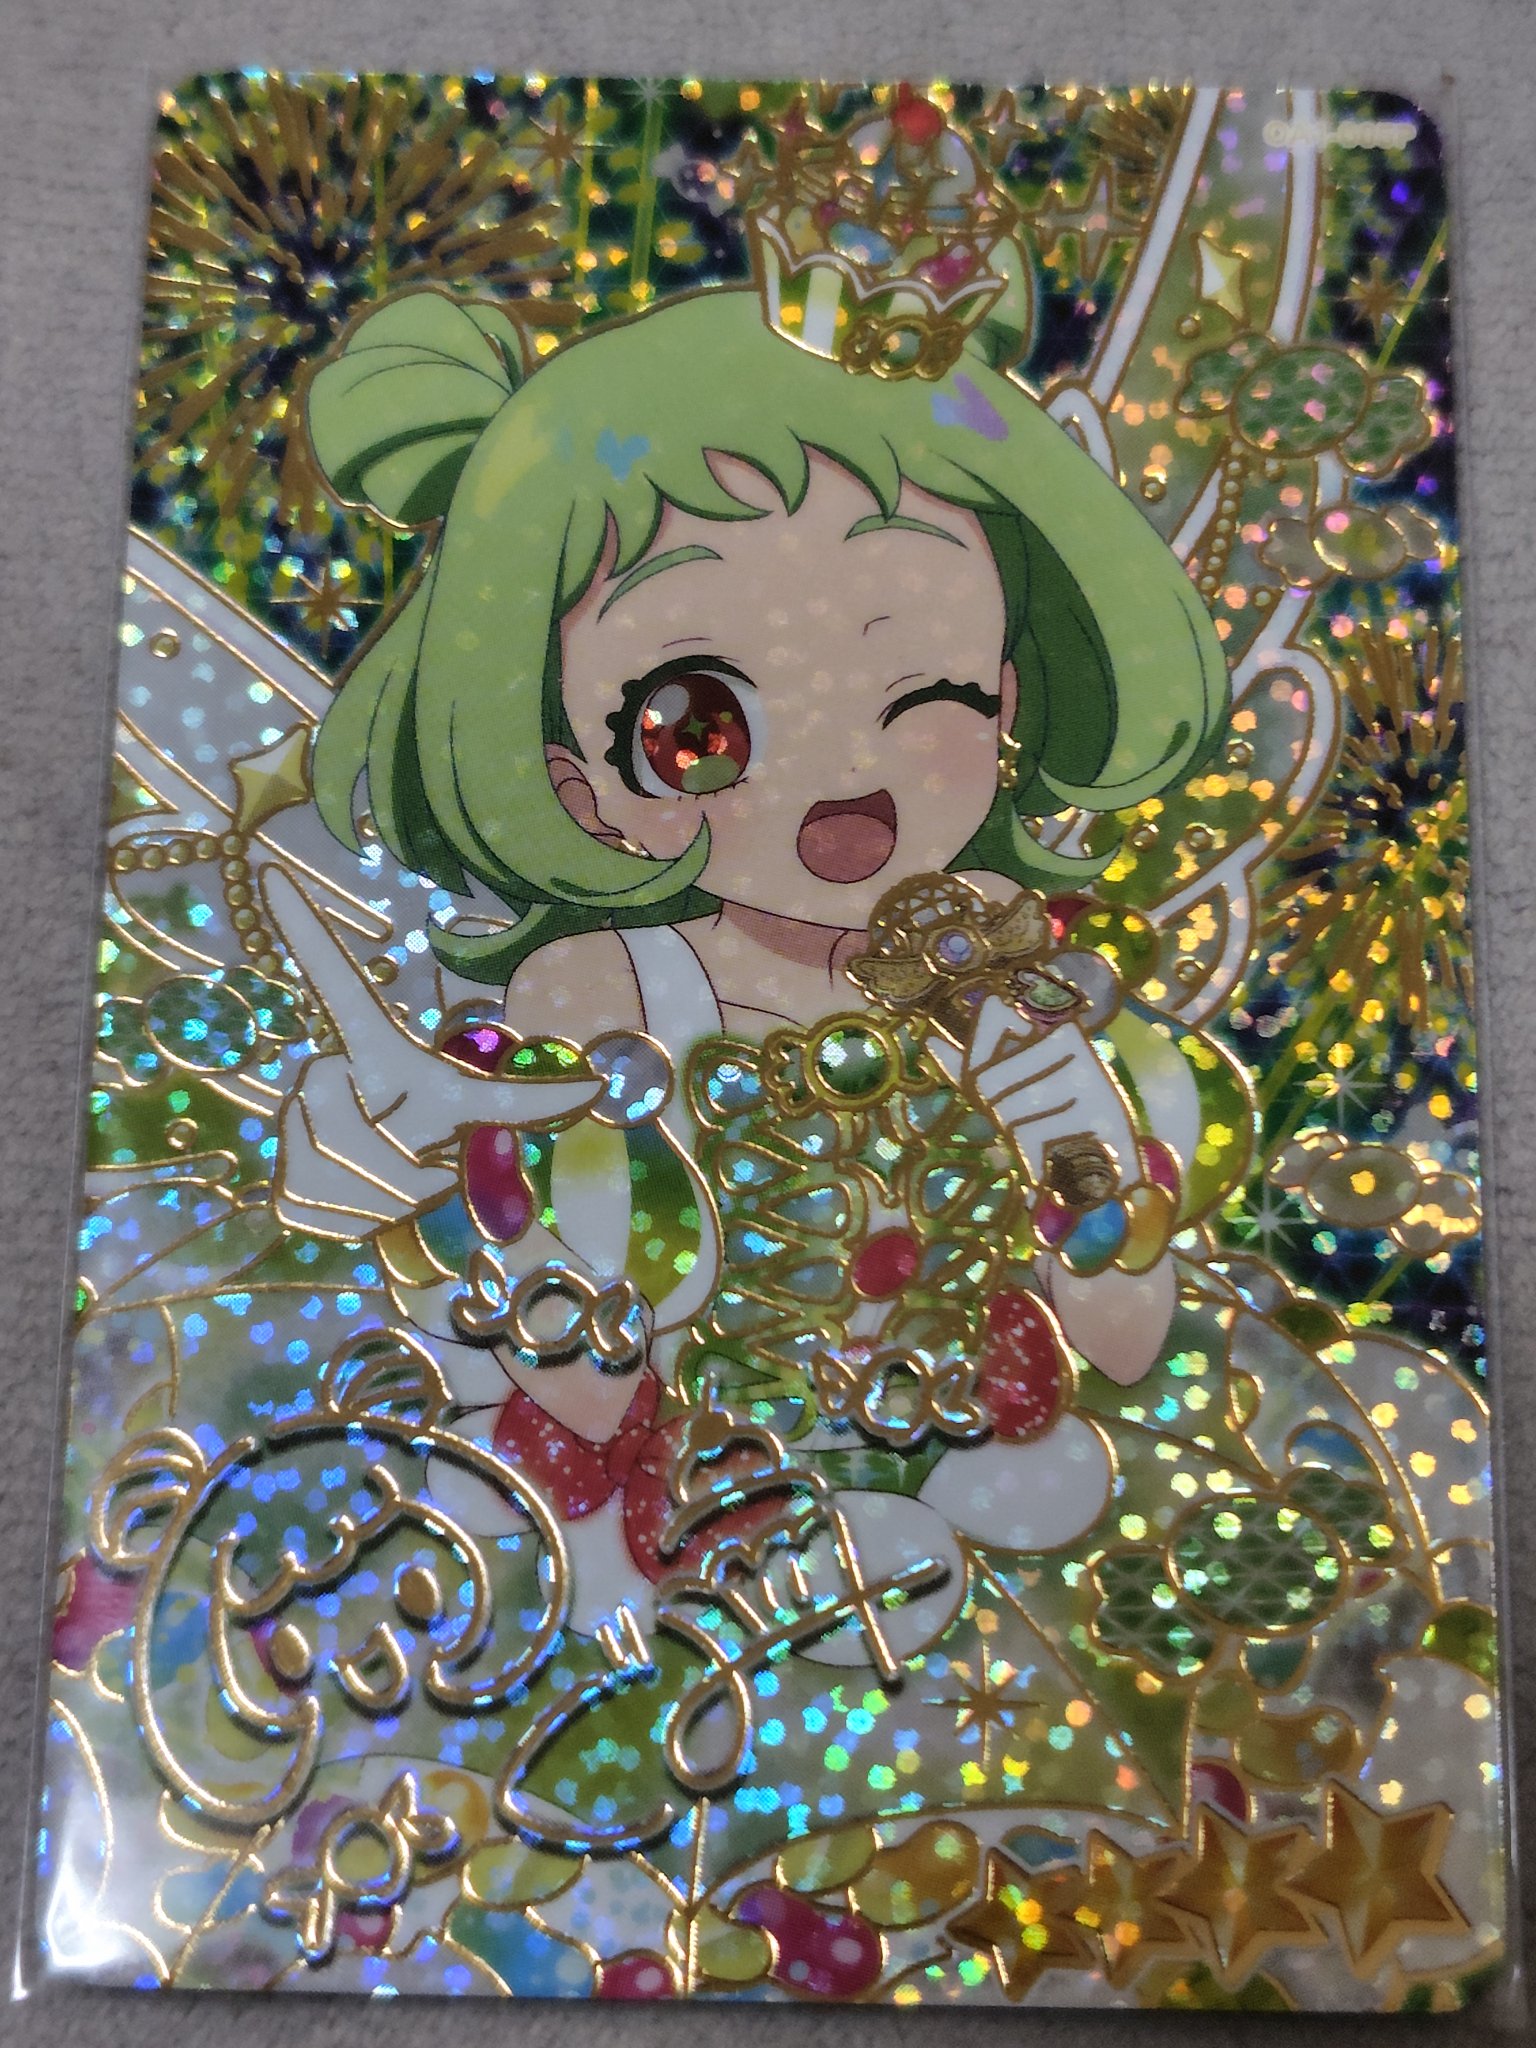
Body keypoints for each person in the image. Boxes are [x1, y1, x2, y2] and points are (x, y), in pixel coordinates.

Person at [262, 282, 1245, 1633]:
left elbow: (1125, 1343)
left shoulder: (1012, 969)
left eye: (924, 689)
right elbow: (588, 1390)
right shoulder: (603, 998)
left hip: (1002, 1514)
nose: (847, 777)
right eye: (700, 724)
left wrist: (1073, 1149)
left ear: (1008, 691)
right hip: (699, 1563)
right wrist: (452, 1205)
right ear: (579, 783)